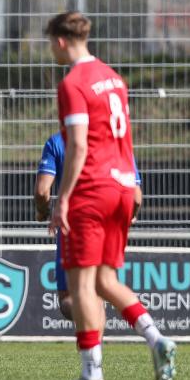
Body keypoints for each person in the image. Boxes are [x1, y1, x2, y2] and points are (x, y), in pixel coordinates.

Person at [46, 11, 176, 380]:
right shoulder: (113, 78)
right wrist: (130, 182)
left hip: (92, 189)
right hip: (122, 186)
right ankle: (157, 340)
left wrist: (63, 199)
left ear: (59, 42)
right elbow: (122, 140)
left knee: (81, 284)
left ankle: (92, 377)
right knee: (105, 279)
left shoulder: (73, 83)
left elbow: (80, 146)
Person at [34, 131, 143, 321]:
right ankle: (151, 333)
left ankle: (92, 344)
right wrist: (129, 215)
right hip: (109, 223)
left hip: (75, 224)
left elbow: (42, 191)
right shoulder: (117, 141)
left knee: (71, 298)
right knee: (104, 286)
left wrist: (43, 212)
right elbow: (135, 196)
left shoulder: (58, 141)